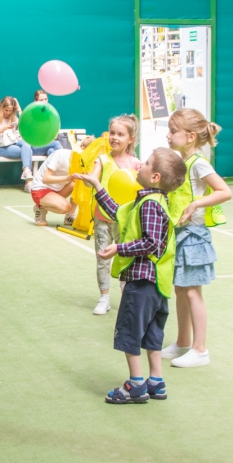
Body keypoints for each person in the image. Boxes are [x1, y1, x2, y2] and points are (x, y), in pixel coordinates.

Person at [73, 148, 187, 403]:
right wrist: (97, 187)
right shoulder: (149, 201)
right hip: (158, 285)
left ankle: (135, 385)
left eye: (146, 164)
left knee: (129, 333)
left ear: (155, 176)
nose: (139, 166)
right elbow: (118, 214)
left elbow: (152, 243)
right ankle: (155, 381)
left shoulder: (149, 205)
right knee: (151, 335)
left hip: (143, 283)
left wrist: (119, 248)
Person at [160, 109, 232, 368]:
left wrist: (196, 205)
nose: (168, 135)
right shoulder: (181, 161)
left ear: (190, 136)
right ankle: (182, 342)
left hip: (194, 236)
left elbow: (224, 191)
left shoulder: (199, 163)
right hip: (179, 234)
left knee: (192, 292)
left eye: (172, 131)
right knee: (180, 289)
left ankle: (200, 350)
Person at [90, 115, 142, 315]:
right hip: (103, 218)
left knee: (125, 258)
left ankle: (126, 296)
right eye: (112, 133)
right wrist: (88, 180)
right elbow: (93, 179)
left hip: (125, 220)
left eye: (120, 134)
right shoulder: (102, 160)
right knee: (102, 258)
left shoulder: (136, 164)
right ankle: (104, 297)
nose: (115, 137)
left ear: (130, 138)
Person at [0, 96, 61, 192]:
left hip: (16, 144)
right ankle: (28, 181)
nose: (8, 113)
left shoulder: (13, 117)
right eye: (6, 110)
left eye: (10, 110)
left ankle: (58, 172)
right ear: (1, 107)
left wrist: (19, 109)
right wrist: (1, 130)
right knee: (26, 149)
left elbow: (26, 124)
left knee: (54, 145)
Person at [30, 148, 76, 227]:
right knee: (65, 207)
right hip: (40, 189)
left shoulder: (85, 161)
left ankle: (70, 216)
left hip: (58, 190)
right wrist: (66, 178)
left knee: (78, 184)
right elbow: (46, 179)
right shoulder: (60, 154)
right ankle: (40, 207)